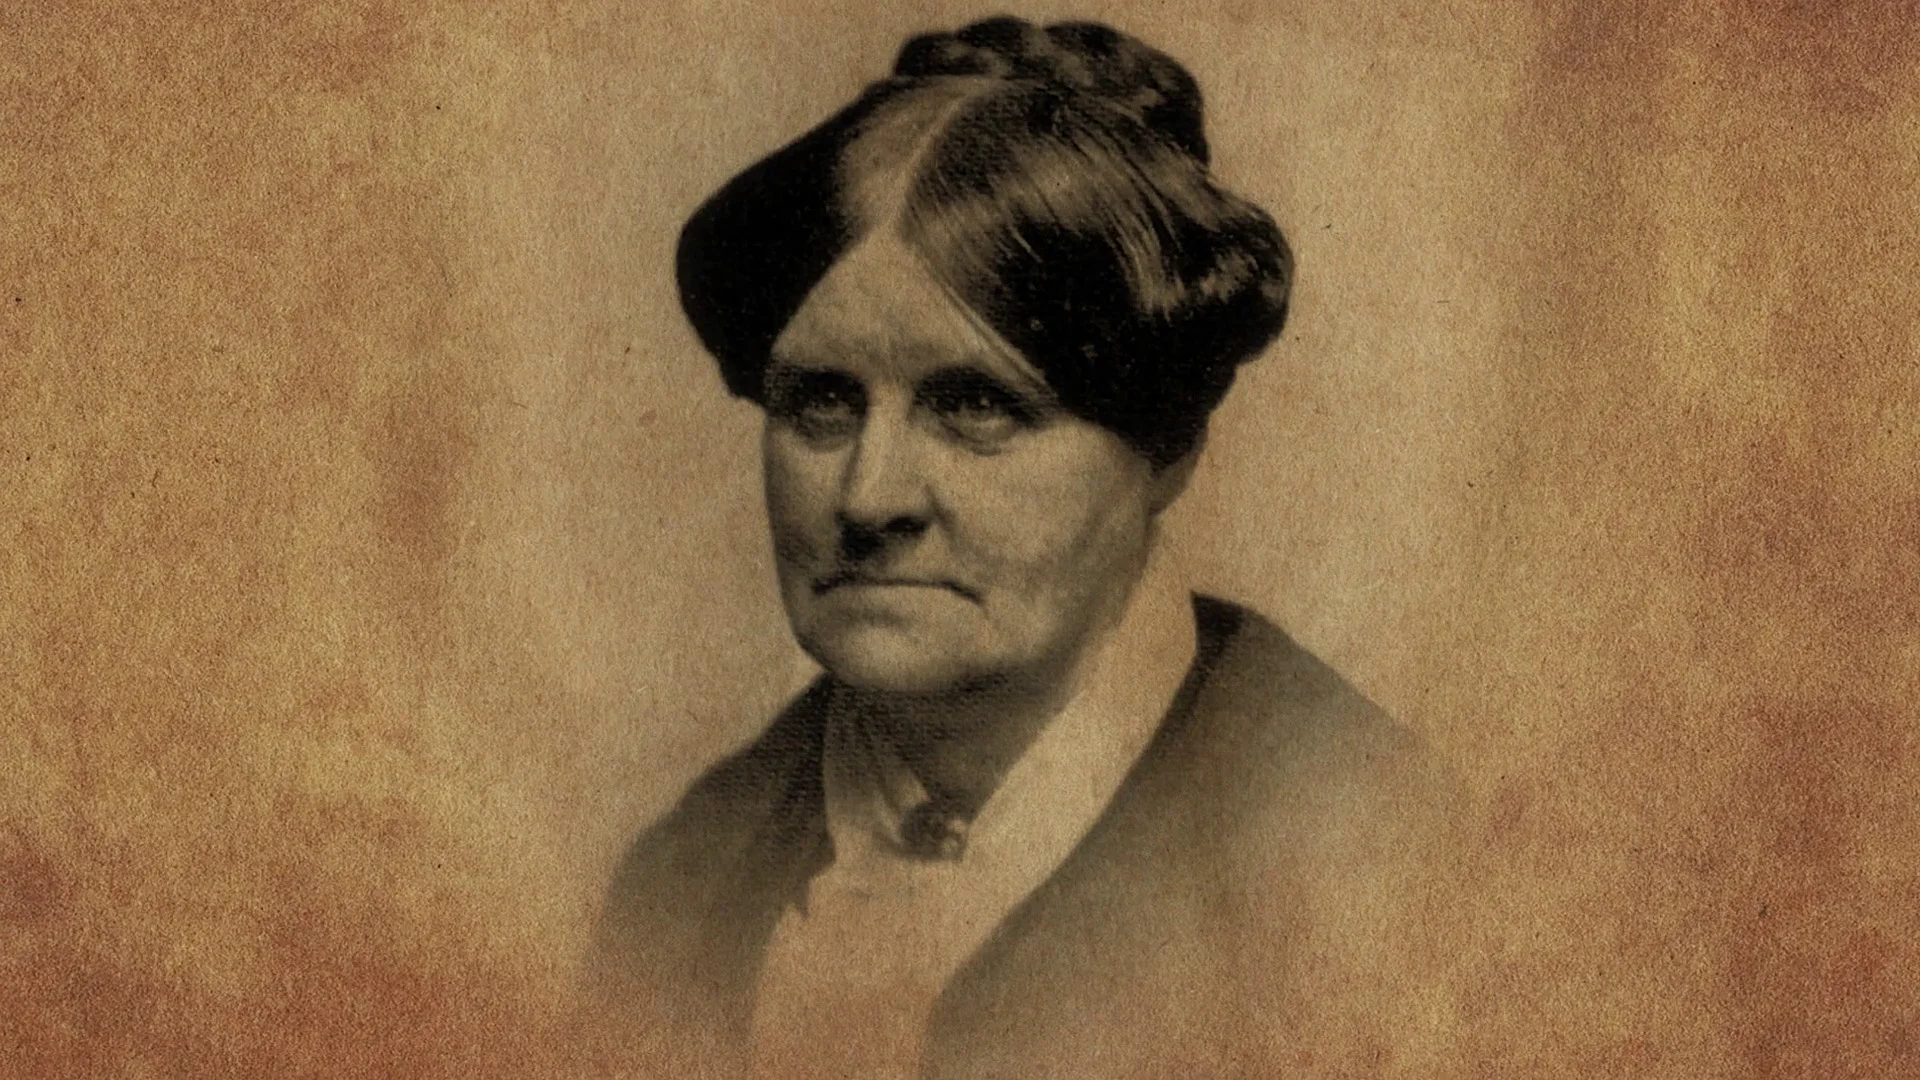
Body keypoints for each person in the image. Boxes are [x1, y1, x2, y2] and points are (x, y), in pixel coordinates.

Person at [580, 16, 1458, 1079]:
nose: (869, 495)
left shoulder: (1391, 871)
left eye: (976, 406)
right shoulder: (679, 884)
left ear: (1169, 447)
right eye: (821, 402)